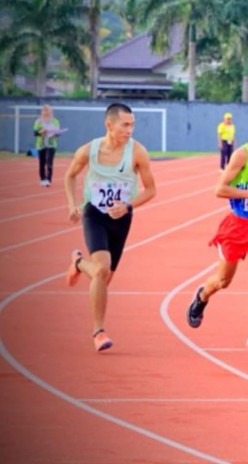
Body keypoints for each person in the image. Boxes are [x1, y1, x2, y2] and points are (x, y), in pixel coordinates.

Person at [186, 105, 248, 349]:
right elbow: (220, 189)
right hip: (237, 226)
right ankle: (202, 296)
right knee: (223, 281)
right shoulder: (242, 155)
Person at [64, 103, 157, 351]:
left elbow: (151, 190)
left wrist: (127, 206)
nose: (130, 129)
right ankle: (99, 331)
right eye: (125, 124)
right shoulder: (89, 151)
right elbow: (70, 175)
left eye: (132, 124)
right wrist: (73, 204)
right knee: (102, 269)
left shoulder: (137, 152)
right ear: (109, 125)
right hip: (94, 213)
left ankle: (78, 263)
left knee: (104, 278)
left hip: (121, 218)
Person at [34, 105, 63, 187]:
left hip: (51, 144)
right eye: (45, 111)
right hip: (41, 144)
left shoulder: (55, 121)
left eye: (48, 111)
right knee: (42, 162)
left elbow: (58, 133)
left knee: (49, 162)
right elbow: (35, 133)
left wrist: (56, 133)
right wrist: (41, 132)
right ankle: (43, 179)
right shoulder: (38, 121)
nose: (46, 112)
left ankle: (48, 180)